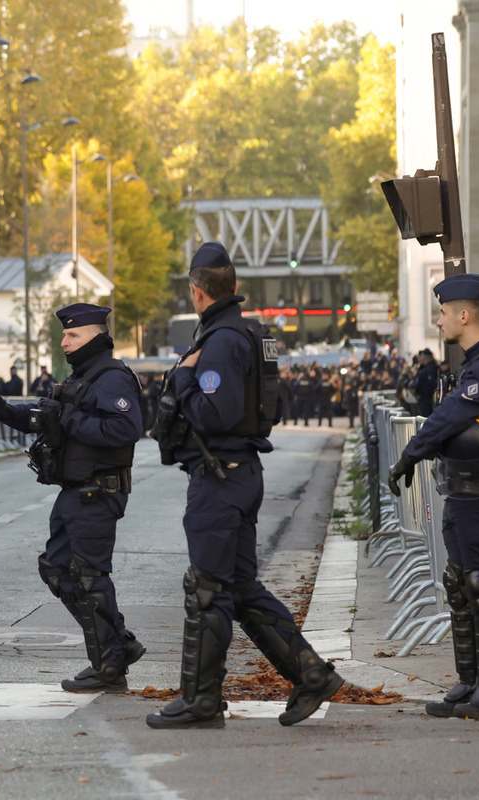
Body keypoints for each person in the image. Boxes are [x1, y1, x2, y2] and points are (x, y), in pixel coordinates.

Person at [146, 242, 342, 729]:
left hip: (220, 474)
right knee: (238, 586)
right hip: (238, 471)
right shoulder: (247, 333)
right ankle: (310, 674)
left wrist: (187, 381)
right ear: (234, 287)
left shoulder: (221, 340)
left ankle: (201, 700)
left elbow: (218, 413)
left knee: (208, 591)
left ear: (197, 292)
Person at [388, 273, 479, 721]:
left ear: (464, 315)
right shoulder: (475, 363)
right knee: (460, 582)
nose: (439, 320)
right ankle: (471, 681)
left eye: (444, 313)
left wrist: (408, 455)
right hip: (464, 489)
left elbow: (451, 415)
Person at [0, 304, 145, 693]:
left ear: (93, 335)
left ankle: (109, 664)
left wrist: (70, 421)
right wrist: (10, 414)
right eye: (64, 335)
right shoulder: (84, 377)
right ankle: (119, 645)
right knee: (57, 568)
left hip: (97, 491)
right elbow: (50, 415)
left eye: (72, 335)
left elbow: (127, 428)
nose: (64, 341)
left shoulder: (111, 377)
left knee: (89, 576)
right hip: (75, 492)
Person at [414, 348, 439, 417]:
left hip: (428, 399)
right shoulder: (423, 368)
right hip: (423, 399)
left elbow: (430, 384)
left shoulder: (431, 368)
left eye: (420, 356)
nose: (419, 359)